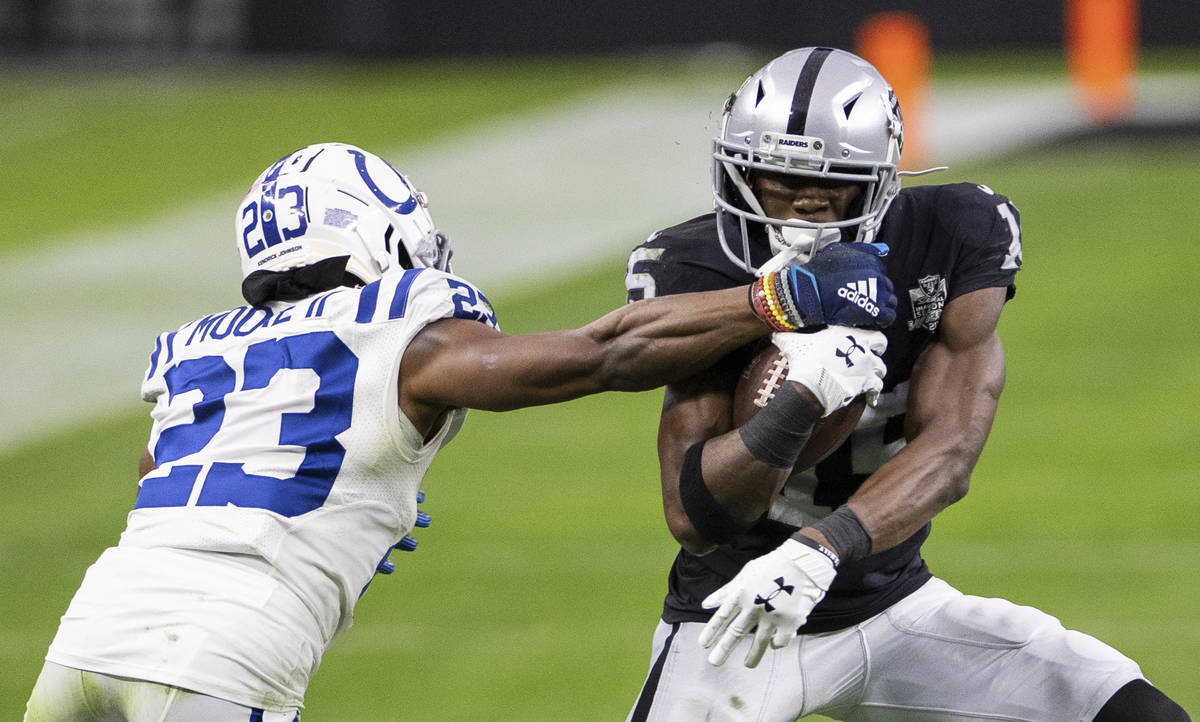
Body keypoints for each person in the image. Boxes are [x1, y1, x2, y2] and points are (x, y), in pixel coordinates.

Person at [25, 141, 892, 721]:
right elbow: (604, 353)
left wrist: (338, 496)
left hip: (88, 639)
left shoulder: (194, 350)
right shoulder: (403, 321)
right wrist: (775, 298)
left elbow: (164, 477)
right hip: (217, 655)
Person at [624, 47, 1189, 721]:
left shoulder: (948, 238)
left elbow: (951, 452)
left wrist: (822, 548)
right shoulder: (697, 268)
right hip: (741, 618)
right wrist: (801, 397)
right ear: (739, 171)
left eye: (834, 183)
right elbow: (695, 517)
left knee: (1134, 713)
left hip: (893, 603)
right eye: (778, 177)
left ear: (883, 181)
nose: (806, 202)